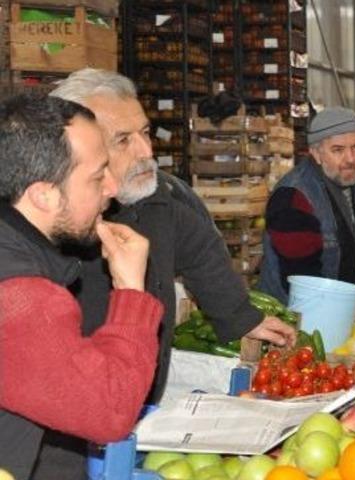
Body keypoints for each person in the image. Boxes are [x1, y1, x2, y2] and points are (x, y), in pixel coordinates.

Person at [45, 69, 296, 478]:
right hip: (66, 431)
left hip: (136, 401)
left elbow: (200, 248)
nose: (147, 151)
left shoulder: (154, 196)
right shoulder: (50, 220)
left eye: (145, 132)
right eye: (123, 141)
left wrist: (239, 317)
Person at [0, 94, 164, 479]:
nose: (111, 187)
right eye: (97, 176)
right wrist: (131, 291)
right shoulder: (21, 299)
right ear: (44, 194)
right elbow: (109, 410)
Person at [258, 107, 355, 316]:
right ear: (316, 154)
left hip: (347, 308)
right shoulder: (294, 196)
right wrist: (345, 306)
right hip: (293, 315)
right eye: (338, 150)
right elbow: (302, 276)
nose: (350, 159)